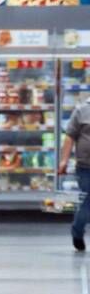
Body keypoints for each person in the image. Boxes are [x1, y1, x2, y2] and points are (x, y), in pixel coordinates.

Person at [59, 99, 90, 251]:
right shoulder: (81, 110)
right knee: (87, 202)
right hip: (86, 167)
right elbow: (70, 136)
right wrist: (64, 161)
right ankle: (77, 232)